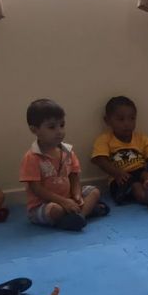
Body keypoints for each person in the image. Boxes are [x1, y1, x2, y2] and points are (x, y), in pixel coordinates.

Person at [22, 98, 107, 231]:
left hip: (68, 198)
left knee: (94, 191)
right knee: (54, 210)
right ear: (34, 130)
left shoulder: (68, 151)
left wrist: (76, 195)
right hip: (44, 205)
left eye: (62, 125)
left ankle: (81, 216)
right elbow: (36, 189)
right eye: (52, 127)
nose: (59, 131)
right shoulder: (32, 157)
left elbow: (74, 176)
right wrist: (63, 201)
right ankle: (82, 213)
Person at [91, 96, 148, 208]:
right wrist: (116, 173)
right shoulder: (104, 139)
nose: (127, 124)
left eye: (132, 119)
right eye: (121, 119)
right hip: (121, 176)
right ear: (107, 121)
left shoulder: (141, 138)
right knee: (135, 186)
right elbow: (100, 160)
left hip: (140, 170)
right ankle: (146, 196)